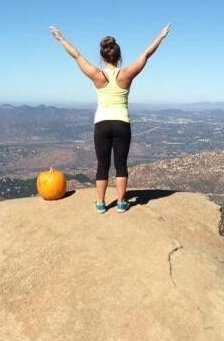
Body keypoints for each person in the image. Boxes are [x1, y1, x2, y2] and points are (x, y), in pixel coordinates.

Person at [49, 23, 171, 213]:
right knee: (121, 165)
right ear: (119, 56)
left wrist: (60, 38)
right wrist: (160, 37)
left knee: (102, 165)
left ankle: (101, 203)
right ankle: (122, 203)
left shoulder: (97, 75)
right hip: (122, 123)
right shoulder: (127, 74)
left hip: (102, 124)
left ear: (102, 56)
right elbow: (146, 54)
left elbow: (76, 55)